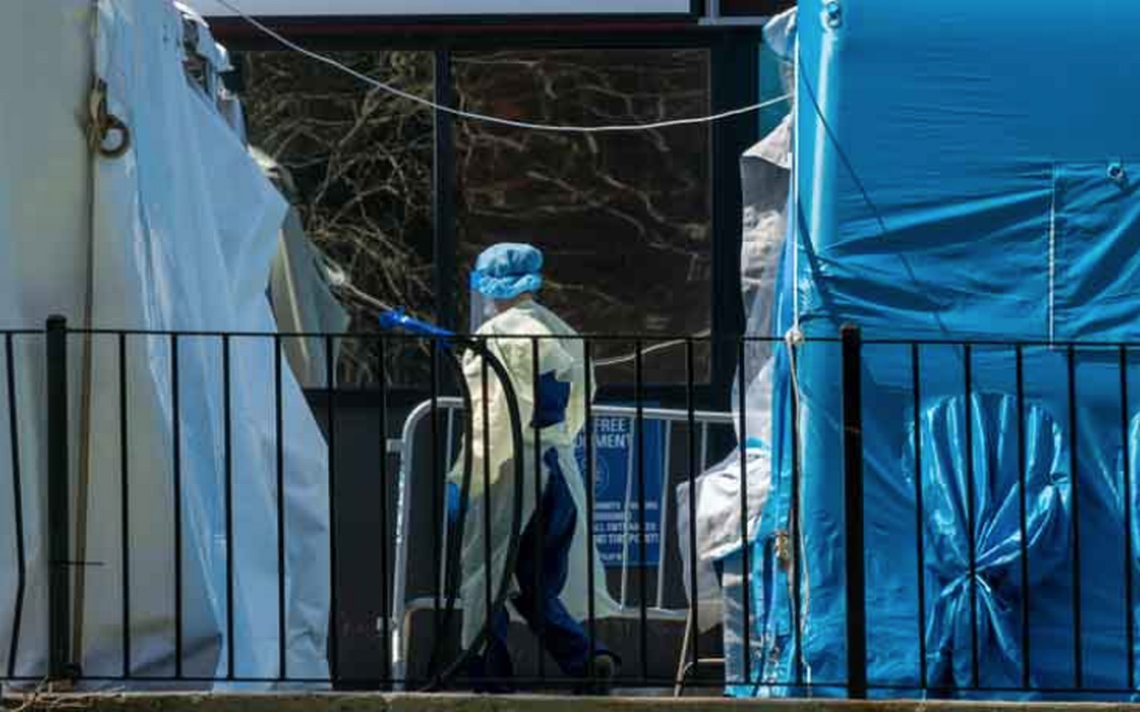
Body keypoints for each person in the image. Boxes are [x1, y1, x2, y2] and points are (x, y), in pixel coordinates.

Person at [448, 242, 621, 693]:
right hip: (559, 469)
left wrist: (467, 477)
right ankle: (587, 660)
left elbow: (493, 418)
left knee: (484, 574)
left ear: (487, 284)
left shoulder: (497, 335)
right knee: (534, 585)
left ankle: (488, 676)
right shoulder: (561, 331)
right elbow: (582, 402)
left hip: (512, 469)